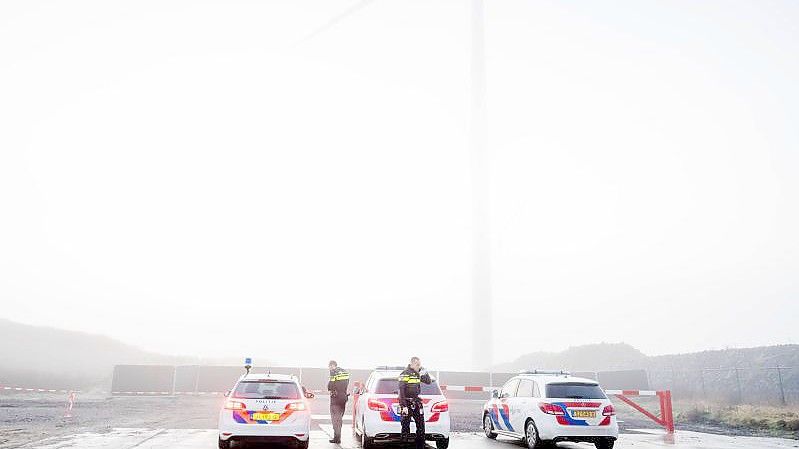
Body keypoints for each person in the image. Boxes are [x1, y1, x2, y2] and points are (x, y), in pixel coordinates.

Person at [398, 357, 431, 449]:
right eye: (417, 365)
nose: (418, 366)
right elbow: (401, 390)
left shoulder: (418, 373)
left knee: (421, 426)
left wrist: (425, 372)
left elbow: (428, 382)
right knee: (405, 427)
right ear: (411, 364)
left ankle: (420, 446)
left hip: (416, 402)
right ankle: (405, 446)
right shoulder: (405, 373)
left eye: (419, 364)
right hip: (407, 403)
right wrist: (404, 406)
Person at [327, 360, 350, 444]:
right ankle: (338, 437)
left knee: (335, 419)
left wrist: (330, 387)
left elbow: (330, 386)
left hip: (335, 398)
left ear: (332, 365)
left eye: (329, 366)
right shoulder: (345, 372)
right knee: (339, 418)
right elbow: (346, 383)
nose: (329, 368)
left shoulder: (333, 372)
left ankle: (337, 438)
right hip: (343, 397)